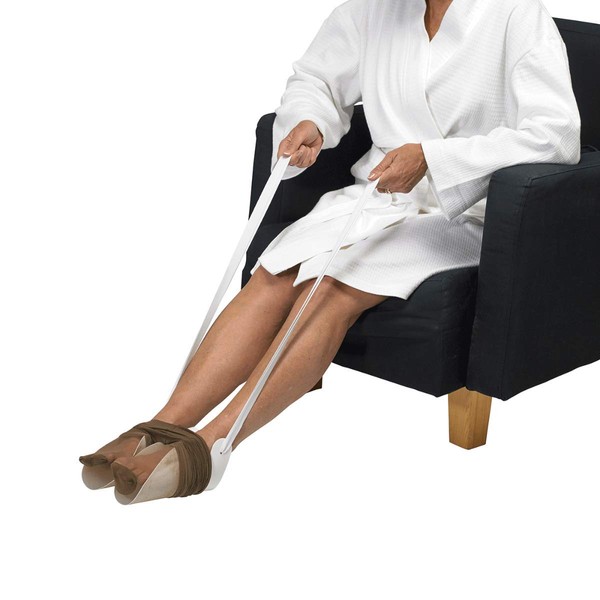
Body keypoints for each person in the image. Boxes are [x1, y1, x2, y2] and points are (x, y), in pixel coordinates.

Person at [79, 0, 581, 503]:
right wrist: (311, 120)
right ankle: (161, 428)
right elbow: (316, 79)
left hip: (468, 211)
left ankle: (212, 446)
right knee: (275, 271)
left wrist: (434, 159)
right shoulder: (372, 11)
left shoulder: (515, 14)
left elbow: (556, 134)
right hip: (378, 195)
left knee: (333, 284)